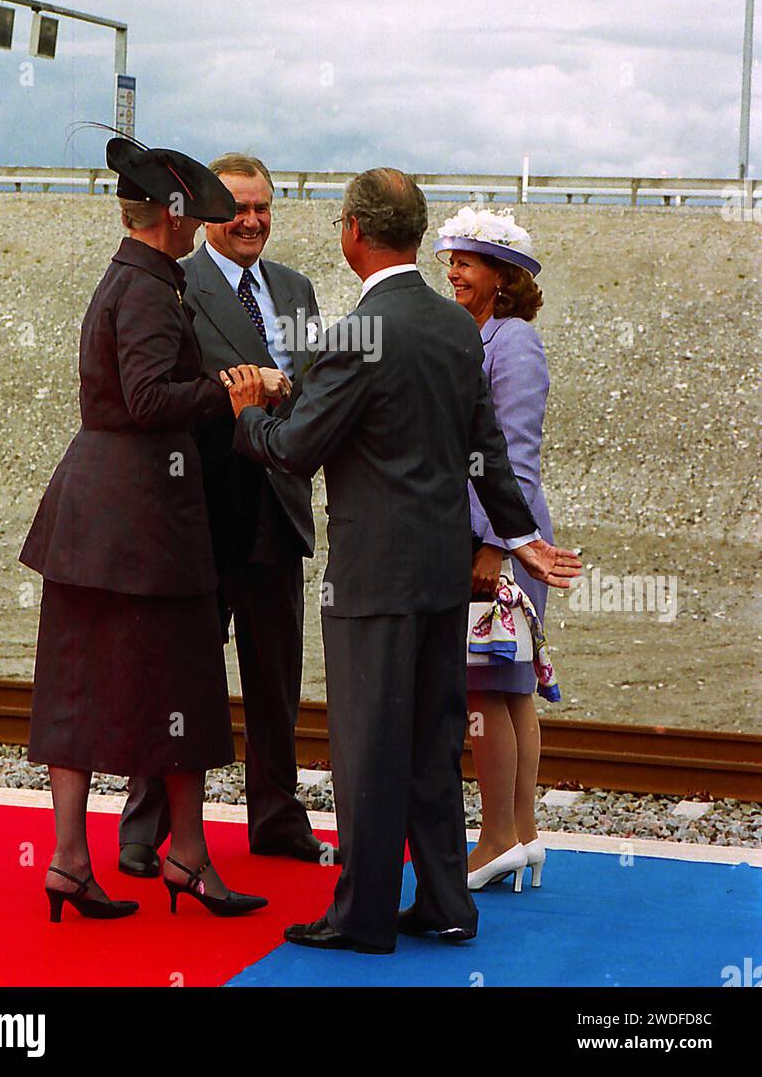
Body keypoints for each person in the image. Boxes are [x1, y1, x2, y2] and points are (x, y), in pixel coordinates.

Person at [223, 169, 582, 954]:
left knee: (366, 746)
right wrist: (523, 543)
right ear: (418, 237)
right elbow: (488, 452)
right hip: (441, 574)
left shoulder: (358, 331)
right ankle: (449, 904)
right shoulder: (457, 327)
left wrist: (249, 415)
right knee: (430, 742)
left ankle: (361, 916)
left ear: (352, 230)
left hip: (372, 578)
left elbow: (295, 451)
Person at [21, 136, 276, 923]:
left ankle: (69, 860)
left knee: (75, 684)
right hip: (145, 524)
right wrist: (234, 390)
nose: (201, 227)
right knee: (185, 683)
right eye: (191, 215)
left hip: (91, 518)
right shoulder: (147, 290)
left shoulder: (129, 279)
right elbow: (148, 401)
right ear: (167, 219)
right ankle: (188, 857)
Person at [119, 153, 337, 873]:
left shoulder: (298, 292)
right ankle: (144, 828)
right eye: (238, 208)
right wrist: (240, 396)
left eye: (263, 208)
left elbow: (317, 395)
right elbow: (165, 392)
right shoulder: (175, 286)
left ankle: (277, 817)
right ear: (211, 211)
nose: (251, 221)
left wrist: (290, 407)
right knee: (178, 676)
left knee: (276, 683)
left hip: (277, 511)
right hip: (203, 513)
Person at [435, 206, 553, 891]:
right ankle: (524, 836)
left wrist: (493, 545)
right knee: (510, 689)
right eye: (451, 259)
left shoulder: (514, 343)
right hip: (502, 537)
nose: (452, 271)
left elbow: (515, 453)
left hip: (502, 540)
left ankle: (497, 838)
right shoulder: (476, 334)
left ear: (502, 278)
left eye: (467, 261)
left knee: (489, 686)